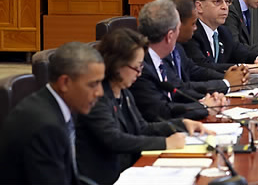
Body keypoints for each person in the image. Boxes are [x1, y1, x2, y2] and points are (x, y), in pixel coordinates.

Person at [76, 28, 213, 184]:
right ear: (117, 65)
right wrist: (166, 143)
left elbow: (142, 128)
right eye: (137, 66)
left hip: (130, 172)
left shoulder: (124, 92)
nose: (139, 73)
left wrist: (181, 124)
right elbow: (114, 139)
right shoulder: (97, 97)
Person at [0, 42, 105, 185]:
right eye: (93, 84)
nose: (100, 92)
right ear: (65, 83)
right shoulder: (45, 127)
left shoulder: (58, 105)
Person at [129, 0, 226, 121]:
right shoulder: (140, 67)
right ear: (170, 36)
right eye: (178, 29)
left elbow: (179, 90)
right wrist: (204, 107)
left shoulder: (161, 59)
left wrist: (210, 100)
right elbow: (160, 112)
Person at [183, 0, 258, 73]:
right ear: (199, 6)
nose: (225, 7)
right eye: (218, 1)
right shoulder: (191, 33)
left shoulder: (223, 32)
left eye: (227, 1)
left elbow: (243, 53)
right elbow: (204, 67)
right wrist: (247, 68)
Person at [168, 0, 249, 93]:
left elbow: (193, 70)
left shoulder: (177, 48)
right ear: (177, 26)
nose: (195, 28)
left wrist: (229, 78)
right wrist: (226, 83)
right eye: (193, 24)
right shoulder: (157, 56)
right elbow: (179, 89)